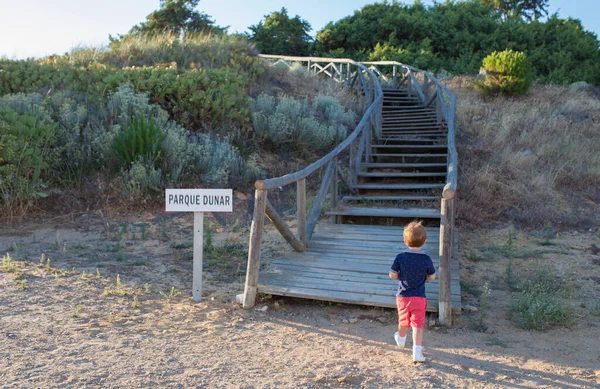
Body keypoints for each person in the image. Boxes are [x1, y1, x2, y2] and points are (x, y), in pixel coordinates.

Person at [389, 220, 436, 362]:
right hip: (419, 297)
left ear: (404, 240)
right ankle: (416, 352)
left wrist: (399, 277)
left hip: (403, 296)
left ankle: (401, 339)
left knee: (403, 321)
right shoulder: (426, 259)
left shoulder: (400, 257)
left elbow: (392, 274)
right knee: (418, 324)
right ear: (425, 241)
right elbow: (432, 276)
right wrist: (426, 276)